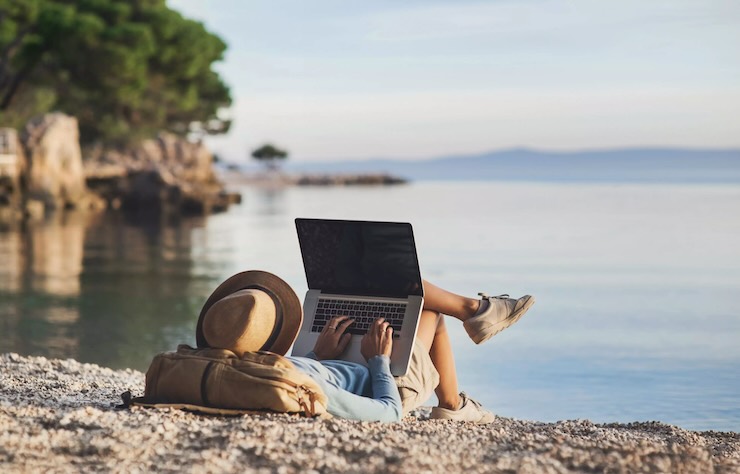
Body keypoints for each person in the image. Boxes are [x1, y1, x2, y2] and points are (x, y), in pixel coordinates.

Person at [196, 271, 535, 423]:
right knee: (423, 303)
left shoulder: (251, 369)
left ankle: (476, 314)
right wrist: (379, 361)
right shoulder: (297, 384)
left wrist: (317, 356)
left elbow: (301, 371)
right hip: (388, 384)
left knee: (394, 284)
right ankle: (452, 402)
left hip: (334, 362)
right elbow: (388, 413)